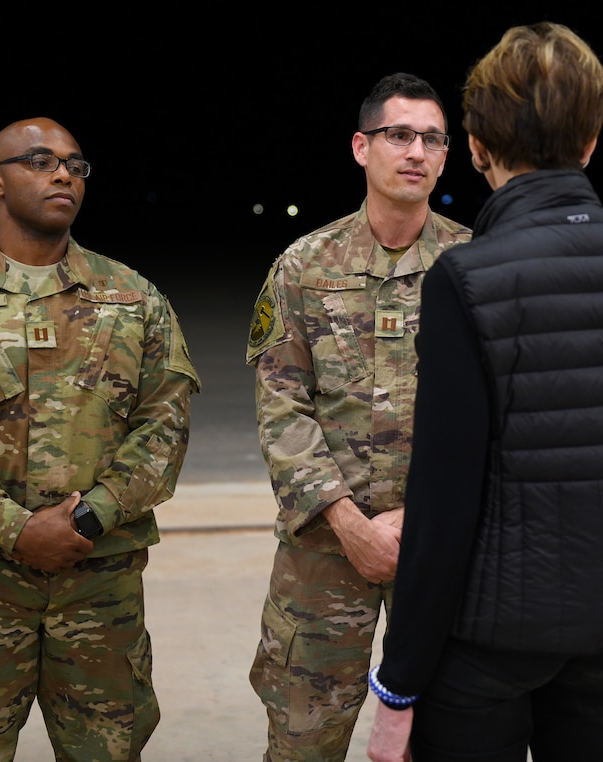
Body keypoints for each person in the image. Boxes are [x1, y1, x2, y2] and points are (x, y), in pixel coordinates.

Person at [366, 23, 603, 762]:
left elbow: (443, 503)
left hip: (491, 645)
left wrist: (399, 685)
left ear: (478, 145)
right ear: (591, 140)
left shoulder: (467, 278)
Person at [0, 117, 201, 760]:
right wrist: (17, 529)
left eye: (76, 165)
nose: (62, 175)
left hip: (98, 585)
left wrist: (87, 516)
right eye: (40, 161)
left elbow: (165, 426)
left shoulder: (135, 300)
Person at [245, 72, 472, 761]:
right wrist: (347, 520)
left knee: (447, 737)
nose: (416, 151)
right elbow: (280, 402)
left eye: (432, 138)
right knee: (304, 739)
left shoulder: (474, 266)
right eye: (398, 134)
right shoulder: (304, 266)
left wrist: (419, 517)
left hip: (440, 552)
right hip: (323, 552)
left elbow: (495, 414)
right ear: (360, 147)